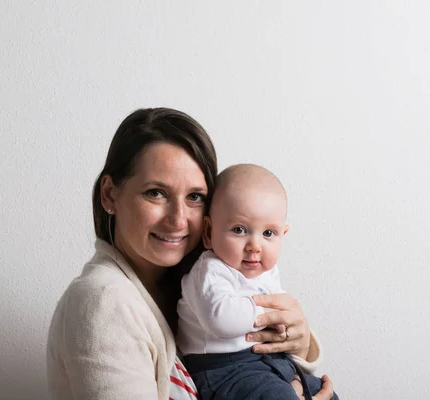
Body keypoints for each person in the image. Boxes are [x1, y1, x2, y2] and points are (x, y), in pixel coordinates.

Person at [46, 107, 336, 400]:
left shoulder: (188, 281)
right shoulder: (104, 303)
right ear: (110, 194)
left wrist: (297, 344)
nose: (178, 219)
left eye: (195, 197)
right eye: (156, 193)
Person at [177, 164, 338, 400]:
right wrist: (271, 310)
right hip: (223, 370)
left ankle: (293, 389)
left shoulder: (267, 272)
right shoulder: (210, 270)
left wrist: (284, 326)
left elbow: (284, 321)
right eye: (239, 230)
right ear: (209, 232)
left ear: (283, 234)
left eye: (268, 233)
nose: (255, 245)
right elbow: (220, 319)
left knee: (329, 394)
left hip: (268, 363)